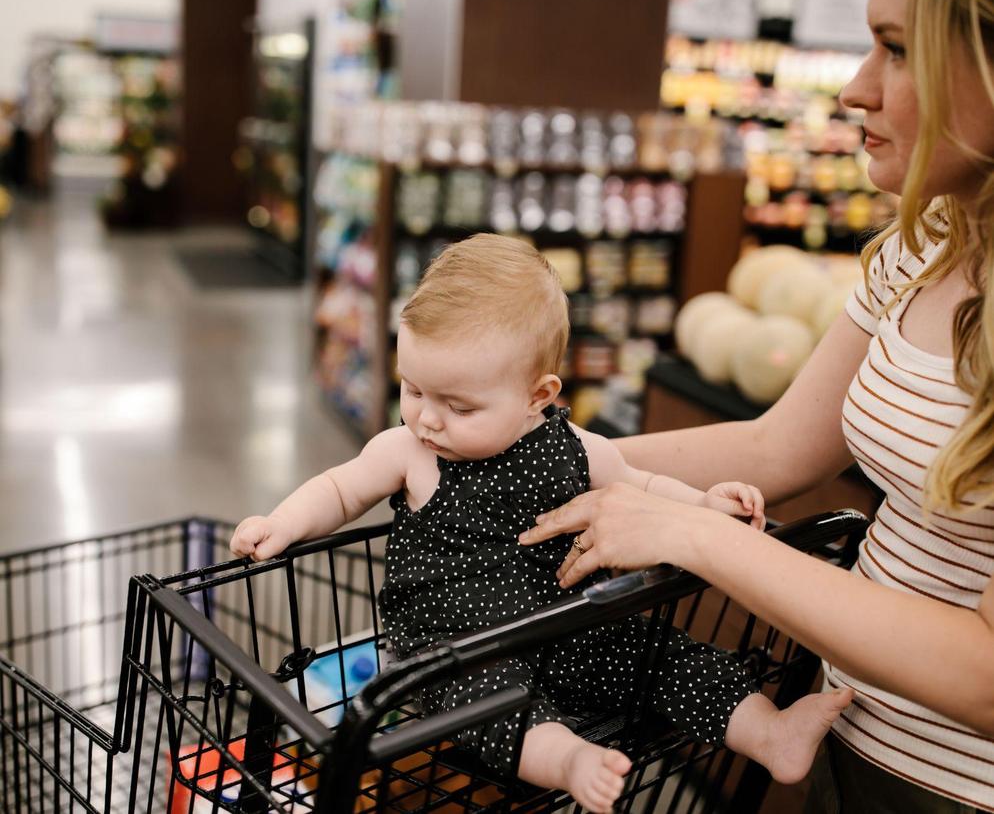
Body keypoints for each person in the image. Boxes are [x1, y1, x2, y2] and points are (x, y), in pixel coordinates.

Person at [519, 0, 994, 811]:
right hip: (850, 741)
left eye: (898, 49)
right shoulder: (923, 249)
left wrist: (704, 536)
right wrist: (516, 451)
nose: (855, 87)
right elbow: (776, 448)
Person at [231, 234, 852, 813]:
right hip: (458, 648)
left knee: (663, 654)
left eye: (459, 405)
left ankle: (768, 731)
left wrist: (707, 505)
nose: (428, 420)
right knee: (484, 706)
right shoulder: (408, 453)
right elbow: (339, 489)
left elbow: (642, 487)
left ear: (538, 394)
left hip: (572, 630)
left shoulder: (578, 447)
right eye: (413, 390)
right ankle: (568, 759)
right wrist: (284, 521)